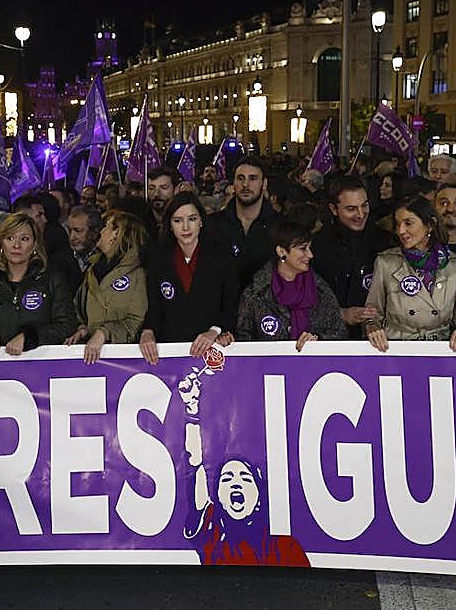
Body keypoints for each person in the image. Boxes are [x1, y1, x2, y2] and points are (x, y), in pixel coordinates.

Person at [178, 366, 308, 567]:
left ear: (259, 496)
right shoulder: (212, 532)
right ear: (217, 496)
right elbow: (195, 464)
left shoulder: (284, 546)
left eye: (245, 478)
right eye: (227, 478)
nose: (235, 483)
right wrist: (192, 410)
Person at [140, 193, 240, 365]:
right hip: (171, 350)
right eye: (178, 220)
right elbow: (155, 306)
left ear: (201, 221)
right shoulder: (158, 257)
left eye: (192, 219)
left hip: (209, 348)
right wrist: (148, 331)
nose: (185, 227)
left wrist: (215, 330)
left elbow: (231, 304)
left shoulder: (221, 255)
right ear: (170, 225)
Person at [363, 196, 456, 351]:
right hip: (396, 349)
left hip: (440, 351)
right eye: (398, 224)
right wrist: (372, 327)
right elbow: (372, 313)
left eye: (408, 223)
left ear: (429, 225)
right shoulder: (386, 263)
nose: (401, 231)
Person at [0, 213, 76, 353]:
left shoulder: (52, 278)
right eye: (10, 238)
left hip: (40, 365)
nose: (16, 245)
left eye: (24, 239)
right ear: (1, 243)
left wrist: (30, 337)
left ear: (34, 244)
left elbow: (67, 325)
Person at [235, 219, 343, 348]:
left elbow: (339, 332)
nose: (311, 255)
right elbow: (243, 339)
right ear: (281, 252)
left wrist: (317, 341)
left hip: (315, 366)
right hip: (269, 368)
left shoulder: (320, 289)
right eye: (303, 249)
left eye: (310, 248)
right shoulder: (256, 293)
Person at [310, 176, 393, 334]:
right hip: (330, 336)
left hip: (376, 336)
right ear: (334, 209)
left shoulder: (385, 241)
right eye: (351, 209)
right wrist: (341, 313)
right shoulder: (316, 246)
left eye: (364, 205)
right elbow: (305, 297)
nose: (361, 214)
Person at [67, 209, 148, 364]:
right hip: (91, 358)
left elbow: (136, 323)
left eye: (106, 227)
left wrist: (104, 333)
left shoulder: (137, 273)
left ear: (116, 234)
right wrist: (82, 328)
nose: (101, 231)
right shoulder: (92, 268)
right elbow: (76, 308)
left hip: (125, 362)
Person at [209, 156, 280, 290]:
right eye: (240, 178)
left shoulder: (280, 226)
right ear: (234, 184)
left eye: (252, 178)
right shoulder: (213, 224)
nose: (245, 185)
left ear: (264, 184)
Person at [64, 204, 103, 291]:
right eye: (70, 230)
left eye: (78, 231)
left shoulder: (105, 260)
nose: (72, 237)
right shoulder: (58, 262)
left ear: (95, 233)